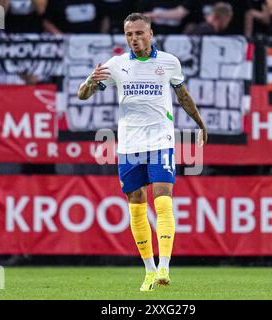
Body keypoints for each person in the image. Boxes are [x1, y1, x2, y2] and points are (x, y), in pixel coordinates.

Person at [77, 13, 208, 292]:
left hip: (160, 140)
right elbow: (82, 95)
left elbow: (182, 95)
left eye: (139, 33)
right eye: (129, 35)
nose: (134, 39)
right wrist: (89, 82)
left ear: (151, 33)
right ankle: (149, 270)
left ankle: (164, 267)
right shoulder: (116, 65)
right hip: (128, 145)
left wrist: (200, 123)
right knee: (136, 205)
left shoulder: (169, 62)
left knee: (163, 199)